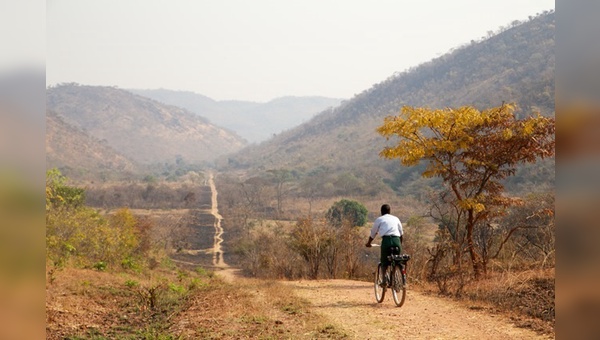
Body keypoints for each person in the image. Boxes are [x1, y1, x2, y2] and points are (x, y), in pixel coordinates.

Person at [365, 204, 403, 284]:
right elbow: (401, 233)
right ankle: (395, 278)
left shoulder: (379, 219)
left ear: (381, 212)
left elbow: (373, 233)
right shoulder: (396, 218)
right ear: (390, 211)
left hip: (386, 241)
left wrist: (369, 243)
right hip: (397, 241)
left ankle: (384, 280)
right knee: (396, 260)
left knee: (384, 262)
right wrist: (400, 245)